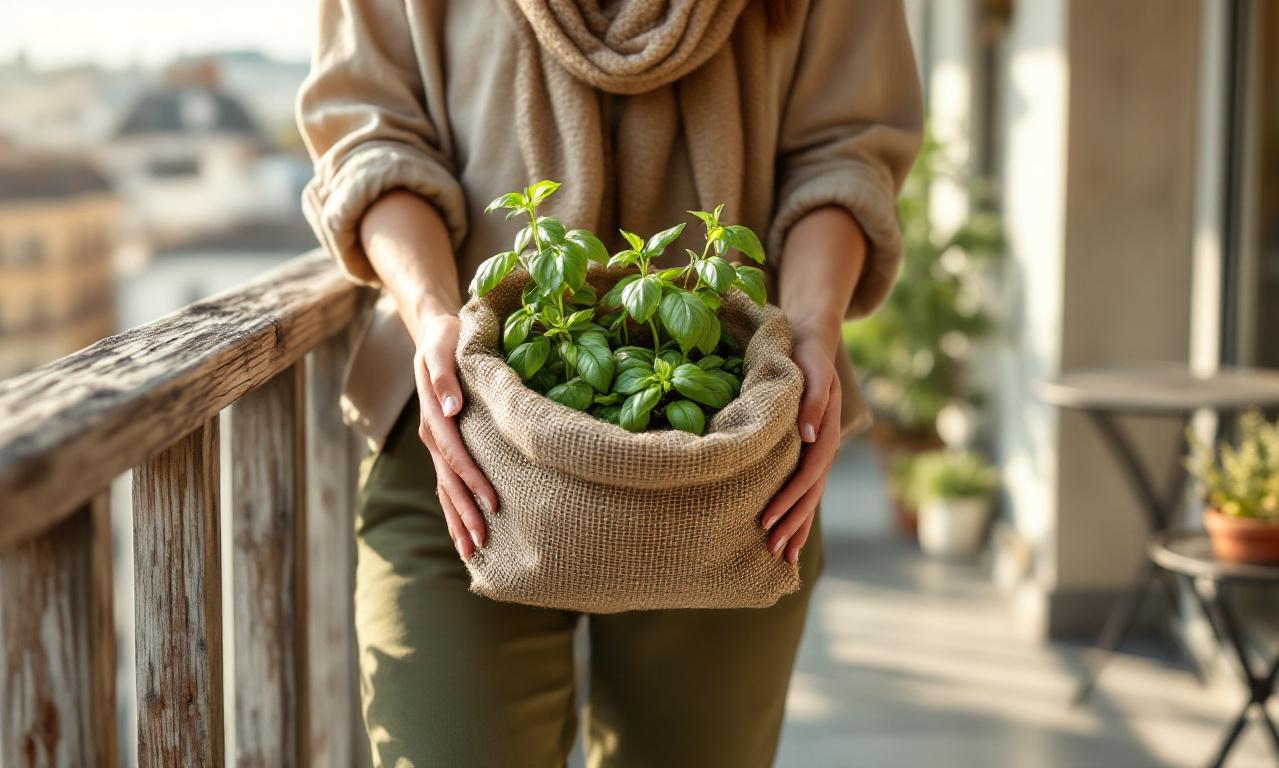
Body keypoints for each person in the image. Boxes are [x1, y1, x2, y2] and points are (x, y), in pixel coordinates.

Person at [298, 0, 921, 764]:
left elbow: (845, 152)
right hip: (464, 447)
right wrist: (434, 317)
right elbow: (371, 132)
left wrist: (812, 336)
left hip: (729, 454)